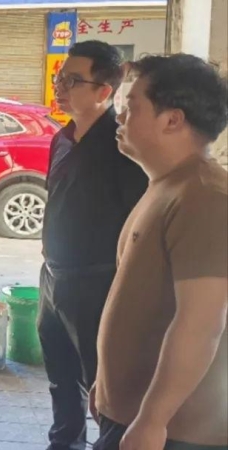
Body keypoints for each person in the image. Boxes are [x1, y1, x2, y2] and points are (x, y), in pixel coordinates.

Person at [92, 53, 228, 450]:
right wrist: (107, 385)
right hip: (132, 415)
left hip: (176, 434)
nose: (120, 117)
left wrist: (153, 419)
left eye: (132, 107)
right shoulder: (167, 185)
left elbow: (201, 324)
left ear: (172, 120)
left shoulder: (206, 198)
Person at [39, 40, 148, 450]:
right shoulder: (62, 139)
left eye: (72, 81)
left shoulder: (123, 148)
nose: (60, 87)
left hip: (97, 284)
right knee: (60, 377)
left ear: (104, 90)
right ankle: (64, 443)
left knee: (104, 388)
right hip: (53, 276)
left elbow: (137, 225)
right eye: (59, 78)